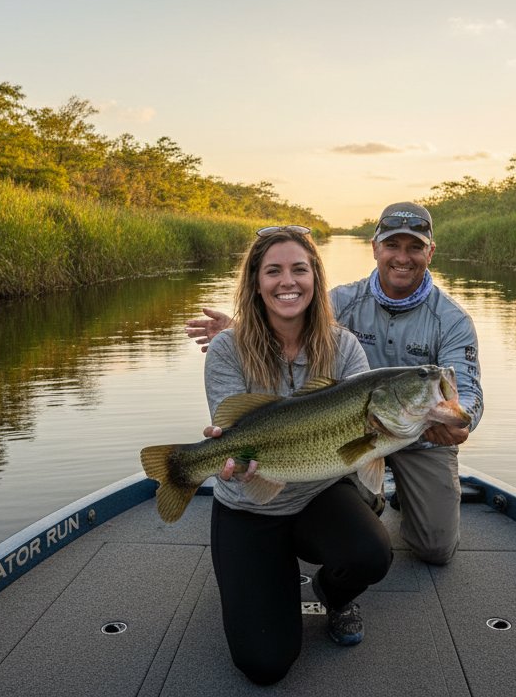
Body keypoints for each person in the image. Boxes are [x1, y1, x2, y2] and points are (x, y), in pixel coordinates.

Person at [188, 202, 484, 566]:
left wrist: (459, 419)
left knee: (436, 549)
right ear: (375, 247)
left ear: (430, 252)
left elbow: (468, 393)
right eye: (393, 245)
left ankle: (402, 499)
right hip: (344, 429)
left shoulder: (452, 320)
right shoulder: (340, 301)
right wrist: (237, 330)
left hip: (424, 436)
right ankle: (361, 515)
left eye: (415, 247)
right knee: (351, 507)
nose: (402, 257)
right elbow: (288, 306)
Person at [203, 225, 392, 686]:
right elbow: (233, 432)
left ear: (315, 278)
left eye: (299, 270)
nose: (287, 282)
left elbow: (367, 448)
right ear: (255, 282)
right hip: (249, 505)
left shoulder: (343, 345)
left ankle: (333, 592)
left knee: (371, 553)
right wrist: (228, 456)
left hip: (318, 498)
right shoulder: (227, 348)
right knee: (264, 665)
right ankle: (262, 574)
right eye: (273, 271)